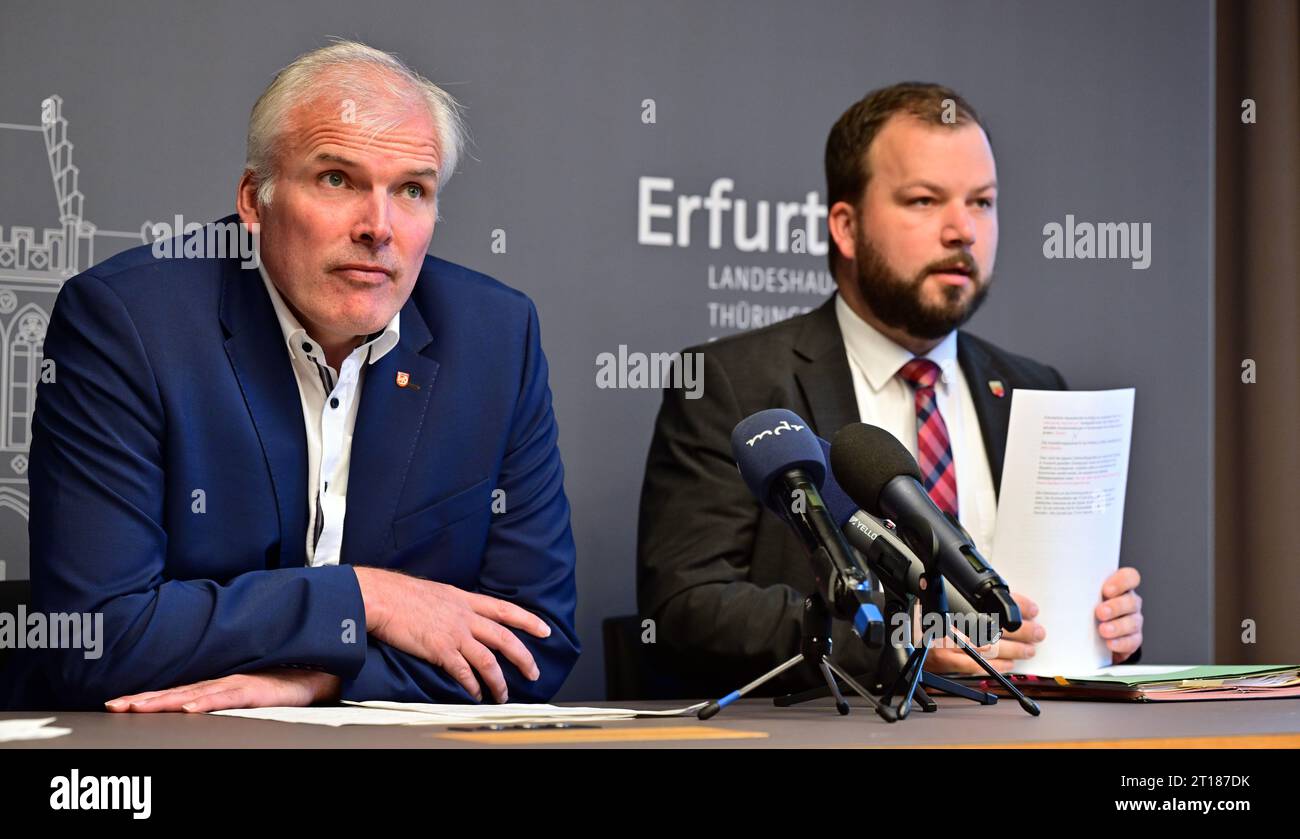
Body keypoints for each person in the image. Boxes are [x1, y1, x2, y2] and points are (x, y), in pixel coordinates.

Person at [0, 41, 579, 712]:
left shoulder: (495, 338)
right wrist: (365, 598)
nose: (378, 228)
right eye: (338, 179)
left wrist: (327, 677)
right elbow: (95, 635)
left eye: (412, 190)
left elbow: (534, 644)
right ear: (254, 199)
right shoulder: (128, 323)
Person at [638, 82, 1142, 697]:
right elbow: (687, 607)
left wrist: (1107, 626)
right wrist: (905, 643)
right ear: (846, 228)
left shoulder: (1034, 390)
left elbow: (1061, 609)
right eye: (925, 201)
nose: (963, 230)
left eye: (982, 202)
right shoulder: (735, 384)